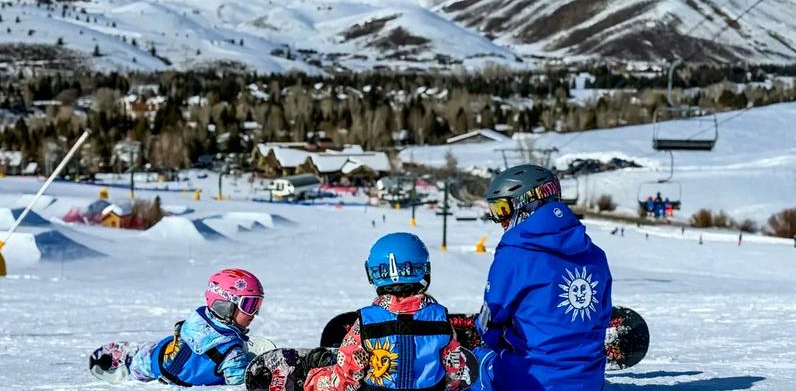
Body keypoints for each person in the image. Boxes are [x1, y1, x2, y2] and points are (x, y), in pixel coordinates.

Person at [473, 164, 612, 391]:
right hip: (590, 381)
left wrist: (485, 339)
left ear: (527, 204)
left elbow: (491, 323)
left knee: (476, 362)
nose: (500, 221)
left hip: (531, 381)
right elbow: (603, 317)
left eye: (502, 209)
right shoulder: (596, 255)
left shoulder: (514, 253)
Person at [305, 232, 472, 391]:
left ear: (374, 274)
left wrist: (314, 378)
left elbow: (345, 383)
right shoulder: (441, 320)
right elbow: (454, 370)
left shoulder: (365, 323)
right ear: (424, 270)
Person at [90, 268, 264, 386]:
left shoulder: (197, 322)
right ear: (225, 305)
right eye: (249, 305)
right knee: (147, 360)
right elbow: (239, 381)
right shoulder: (230, 353)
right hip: (168, 370)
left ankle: (134, 359)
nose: (254, 313)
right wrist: (260, 374)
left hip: (160, 358)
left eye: (257, 305)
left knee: (152, 355)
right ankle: (131, 362)